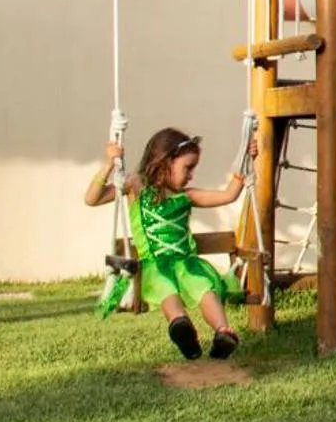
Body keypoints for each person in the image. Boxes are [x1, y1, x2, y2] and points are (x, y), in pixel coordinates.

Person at [85, 127, 252, 360]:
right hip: (153, 265)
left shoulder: (188, 196)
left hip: (187, 264)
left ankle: (223, 332)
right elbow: (92, 199)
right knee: (166, 289)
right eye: (188, 168)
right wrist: (110, 164)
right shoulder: (136, 186)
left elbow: (228, 195)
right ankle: (181, 328)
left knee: (205, 287)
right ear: (165, 162)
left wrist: (246, 160)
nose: (191, 175)